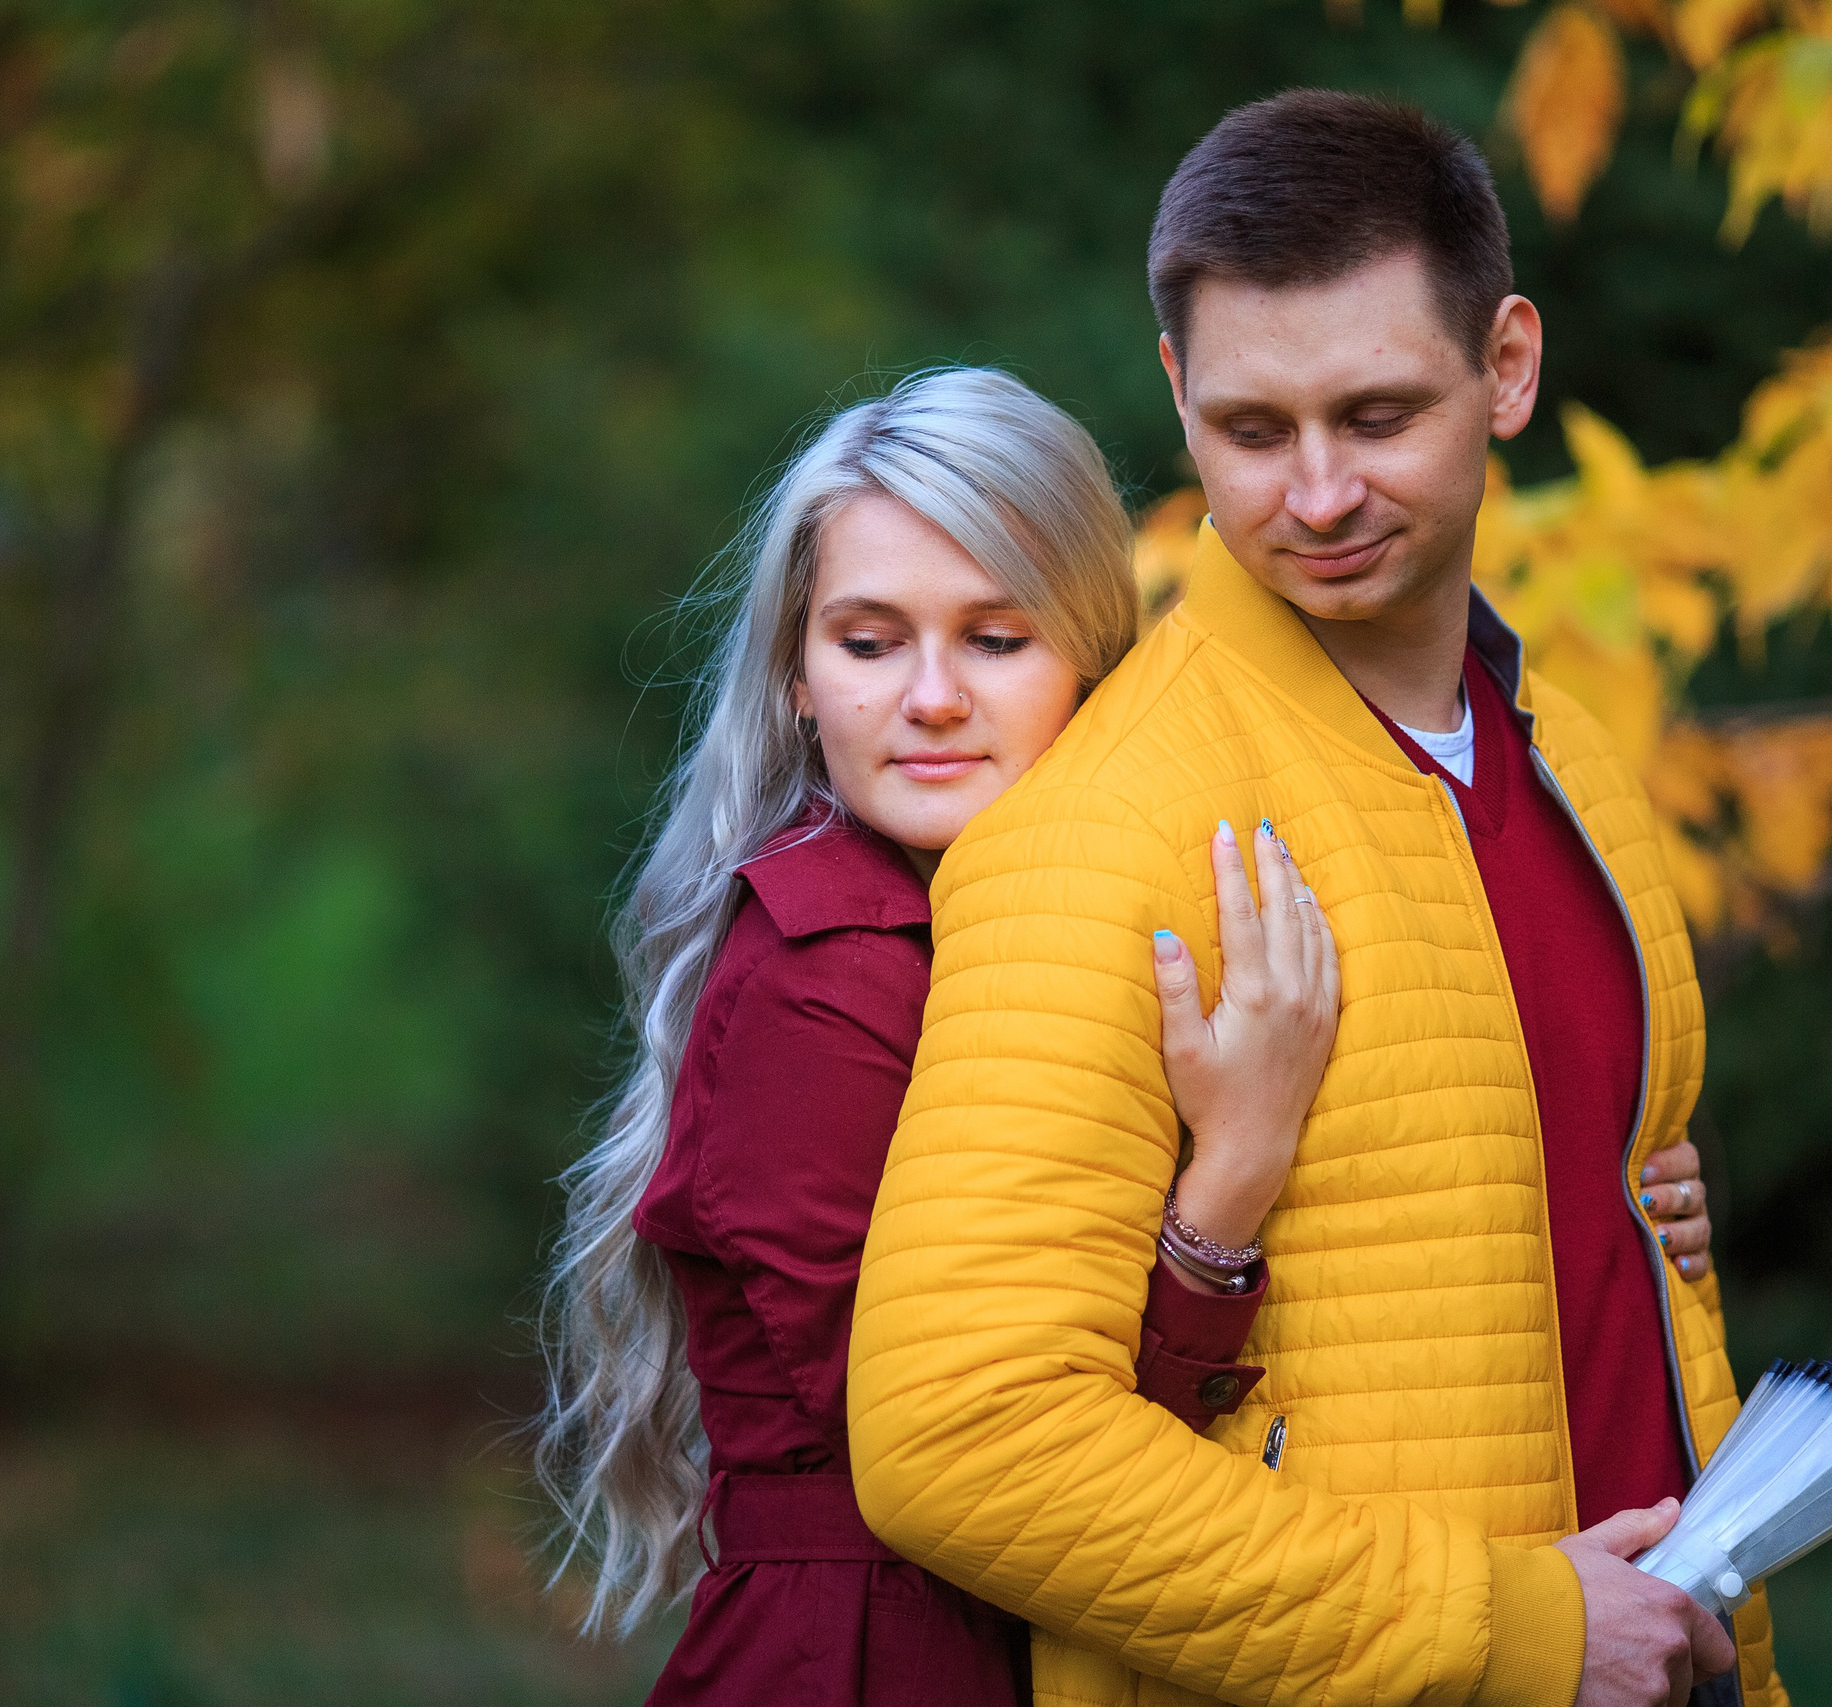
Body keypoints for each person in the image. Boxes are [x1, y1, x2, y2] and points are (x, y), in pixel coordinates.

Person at [539, 364, 1720, 1704]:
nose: (930, 698)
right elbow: (987, 1449)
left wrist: (1616, 1190)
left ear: (1094, 662)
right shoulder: (827, 971)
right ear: (799, 681)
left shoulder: (1056, 907)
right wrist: (1231, 1175)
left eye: (997, 639)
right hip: (880, 1661)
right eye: (870, 644)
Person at [846, 94, 1783, 1707]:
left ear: (1506, 368)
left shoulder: (1576, 769)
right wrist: (1511, 1632)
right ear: (1175, 394)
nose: (1320, 496)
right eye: (1254, 431)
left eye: (1376, 414)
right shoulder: (1110, 825)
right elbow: (962, 1437)